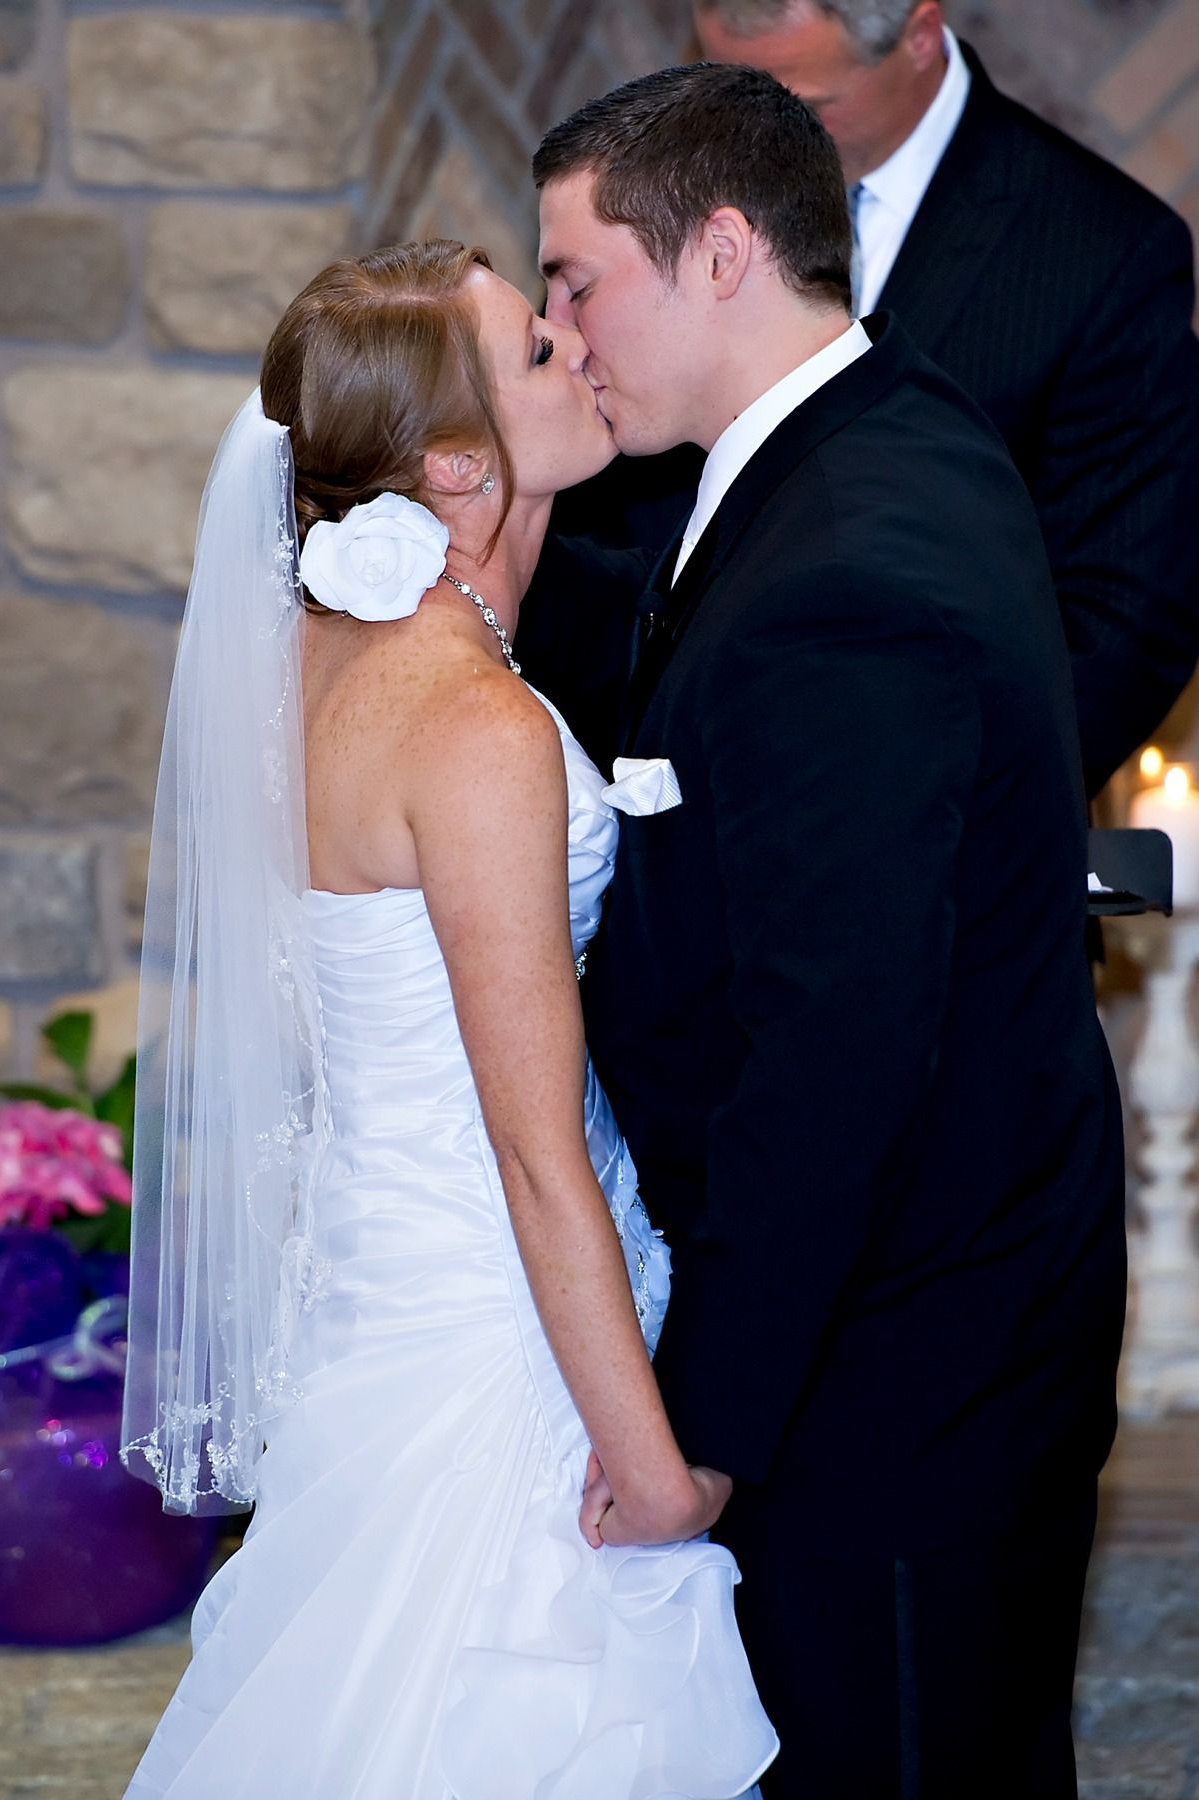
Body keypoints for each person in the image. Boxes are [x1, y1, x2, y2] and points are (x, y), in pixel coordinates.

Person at [534, 62, 1127, 1799]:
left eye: (578, 280)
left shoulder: (845, 578)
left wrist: (699, 1429)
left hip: (897, 1362)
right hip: (945, 1289)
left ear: (720, 253)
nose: (567, 333)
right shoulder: (891, 429)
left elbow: (839, 1053)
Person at [119, 242, 778, 1798]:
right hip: (498, 1336)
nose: (577, 342)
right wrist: (652, 1474)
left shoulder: (315, 659)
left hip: (378, 1300)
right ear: (461, 464)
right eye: (539, 350)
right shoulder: (473, 725)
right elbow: (532, 1148)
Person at [526, 0, 1199, 801]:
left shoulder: (1101, 250)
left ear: (918, 33)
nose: (751, 142)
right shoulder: (643, 222)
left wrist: (892, 792)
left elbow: (1120, 623)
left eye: (803, 104)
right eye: (729, 90)